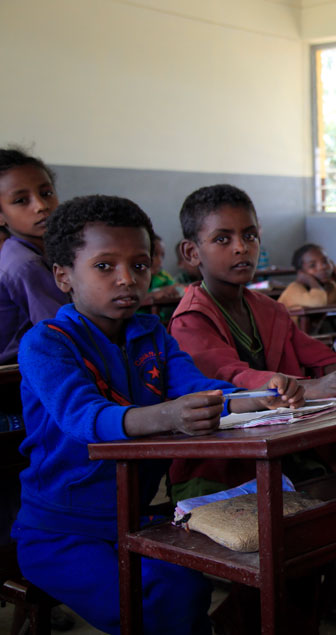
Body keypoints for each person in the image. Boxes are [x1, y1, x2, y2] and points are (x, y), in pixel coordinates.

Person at [12, 195, 303, 635]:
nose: (127, 279)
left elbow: (200, 392)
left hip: (137, 517)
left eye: (141, 264)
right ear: (63, 276)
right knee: (151, 606)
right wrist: (168, 415)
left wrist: (262, 396)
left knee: (184, 588)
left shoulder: (152, 334)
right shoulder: (46, 343)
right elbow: (85, 419)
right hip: (59, 532)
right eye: (105, 266)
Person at [168, 184, 336, 499]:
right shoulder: (190, 321)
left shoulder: (269, 309)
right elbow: (230, 378)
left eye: (250, 235)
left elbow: (322, 359)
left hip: (284, 450)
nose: (241, 247)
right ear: (191, 252)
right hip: (219, 470)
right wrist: (308, 387)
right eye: (222, 239)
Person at [0, 148, 69, 363]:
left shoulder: (28, 251)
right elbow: (64, 330)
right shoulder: (26, 264)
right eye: (21, 200)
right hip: (16, 377)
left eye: (46, 193)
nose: (41, 206)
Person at [277, 243, 336, 310]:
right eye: (312, 265)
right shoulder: (294, 290)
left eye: (325, 261)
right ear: (301, 273)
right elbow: (318, 303)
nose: (322, 267)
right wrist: (311, 281)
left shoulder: (330, 288)